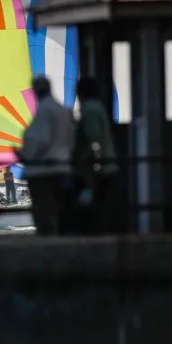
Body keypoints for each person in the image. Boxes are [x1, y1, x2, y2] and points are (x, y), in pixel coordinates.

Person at [18, 76, 74, 236]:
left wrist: (24, 154)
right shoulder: (62, 110)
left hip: (42, 170)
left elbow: (40, 139)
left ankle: (47, 240)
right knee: (57, 209)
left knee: (42, 211)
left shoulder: (43, 110)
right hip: (62, 166)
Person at [71, 77, 117, 233]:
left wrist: (91, 168)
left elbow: (93, 140)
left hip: (97, 169)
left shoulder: (89, 110)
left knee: (91, 207)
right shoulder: (98, 108)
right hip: (105, 166)